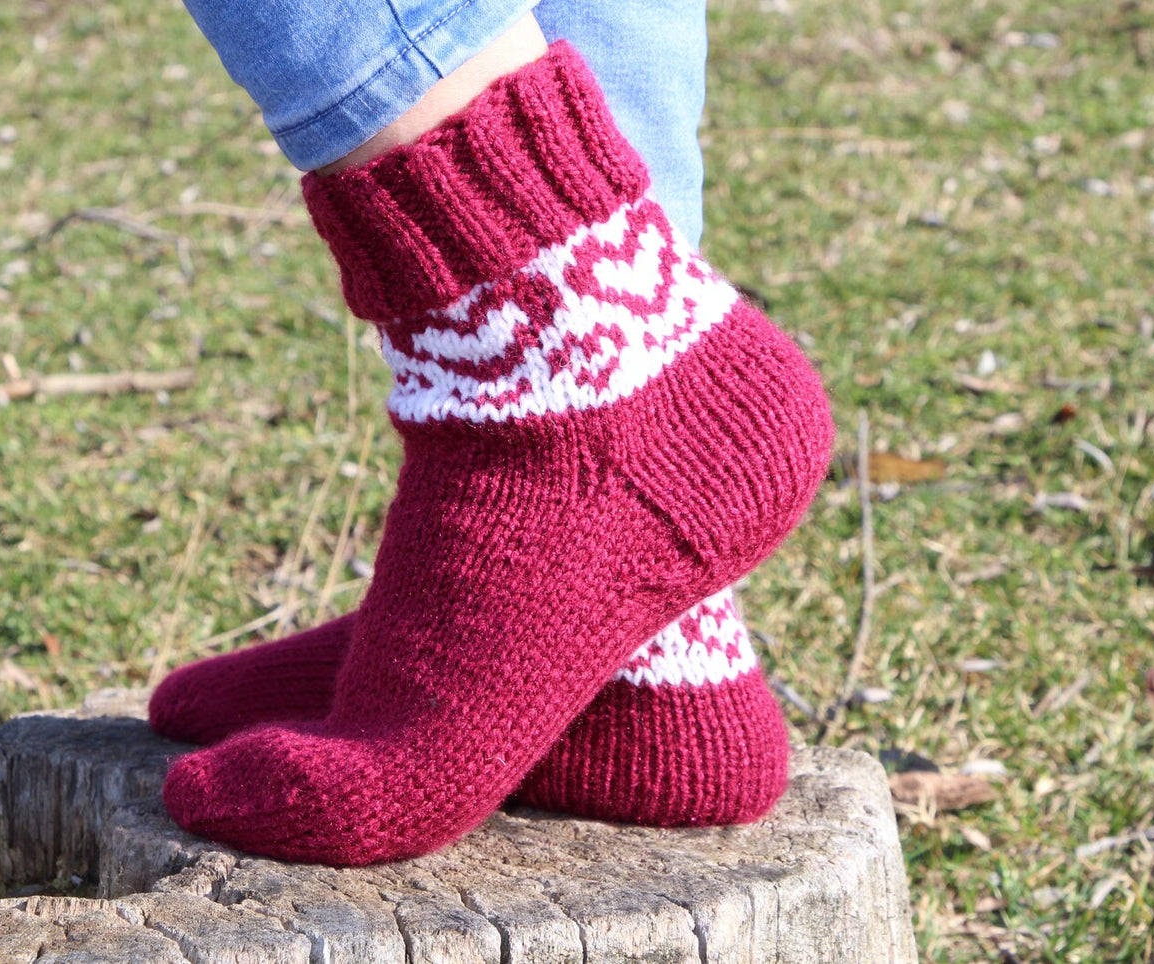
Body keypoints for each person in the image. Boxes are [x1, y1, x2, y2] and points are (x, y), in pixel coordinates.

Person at [151, 0, 834, 866]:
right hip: (628, 454)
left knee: (539, 366)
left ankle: (568, 376)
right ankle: (642, 670)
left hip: (598, 431)